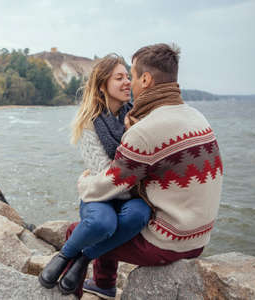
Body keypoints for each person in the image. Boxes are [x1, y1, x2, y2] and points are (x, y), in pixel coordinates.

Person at [66, 43, 224, 299]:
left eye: (132, 75)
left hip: (170, 242)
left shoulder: (145, 129)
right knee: (115, 217)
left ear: (146, 79)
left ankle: (76, 290)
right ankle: (104, 284)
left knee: (79, 233)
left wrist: (84, 184)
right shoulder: (198, 117)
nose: (130, 83)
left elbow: (113, 182)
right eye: (121, 77)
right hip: (200, 238)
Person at [38, 54, 152, 295]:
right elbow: (107, 174)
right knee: (102, 223)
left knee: (140, 214)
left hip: (128, 197)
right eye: (118, 78)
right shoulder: (89, 123)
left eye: (126, 77)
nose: (127, 83)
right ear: (102, 86)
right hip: (101, 194)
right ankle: (64, 255)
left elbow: (144, 164)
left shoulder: (138, 118)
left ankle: (83, 259)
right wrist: (133, 174)